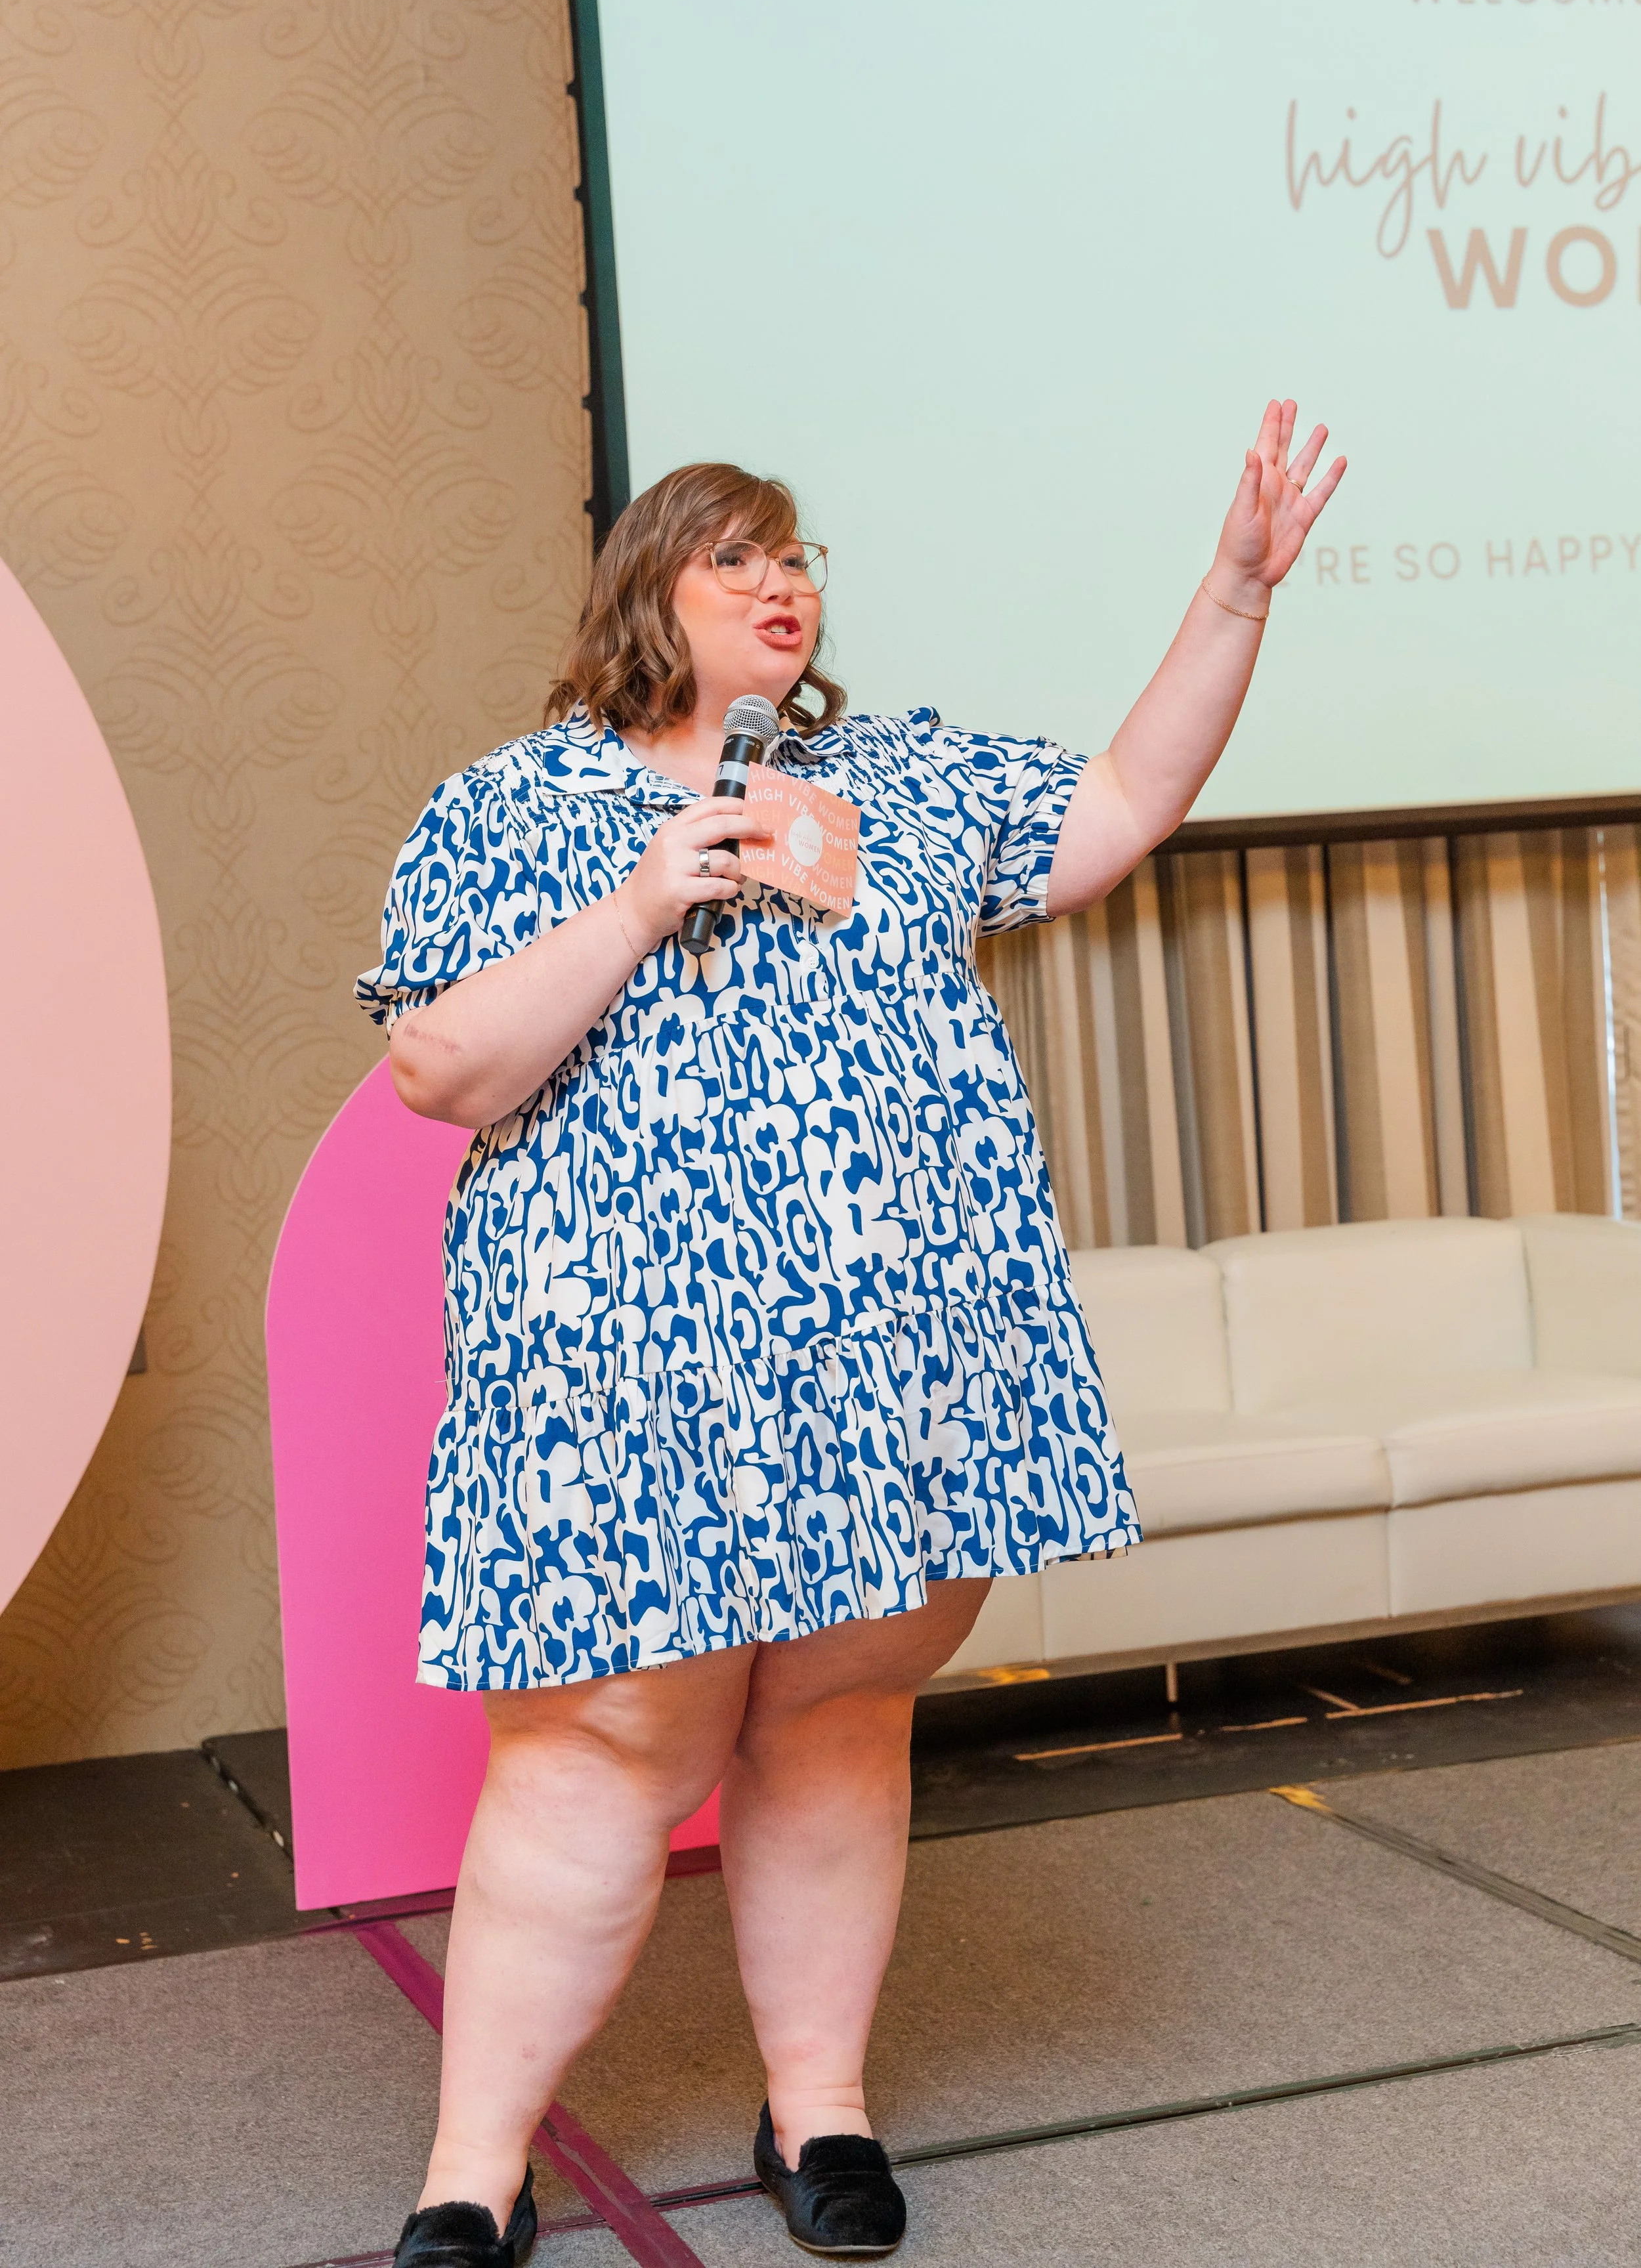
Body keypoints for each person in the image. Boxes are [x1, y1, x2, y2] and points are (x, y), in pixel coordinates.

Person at [359, 402, 1344, 2267]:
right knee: (597, 1748)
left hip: (894, 1368)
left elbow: (1118, 811)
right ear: (642, 592)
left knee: (834, 1718)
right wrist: (652, 890)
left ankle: (821, 2109)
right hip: (623, 1385)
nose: (782, 582)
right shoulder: (511, 799)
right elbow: (437, 1060)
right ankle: (471, 2171)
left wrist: (1230, 595)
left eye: (798, 555)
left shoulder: (889, 778)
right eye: (737, 554)